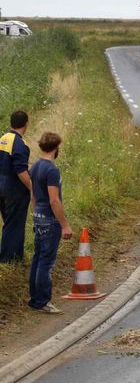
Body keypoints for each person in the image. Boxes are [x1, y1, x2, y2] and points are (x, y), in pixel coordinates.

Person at [29, 132, 72, 314]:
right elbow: (54, 200)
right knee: (46, 262)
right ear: (56, 148)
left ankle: (34, 298)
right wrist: (64, 225)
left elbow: (33, 196)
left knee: (38, 258)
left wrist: (35, 214)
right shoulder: (52, 170)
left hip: (38, 216)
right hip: (50, 220)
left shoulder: (35, 166)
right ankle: (43, 301)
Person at [0, 110, 32, 263]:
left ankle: (16, 257)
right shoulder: (20, 144)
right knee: (15, 225)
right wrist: (32, 188)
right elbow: (21, 171)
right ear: (25, 125)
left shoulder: (3, 139)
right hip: (14, 190)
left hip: (1, 188)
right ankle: (8, 259)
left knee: (9, 223)